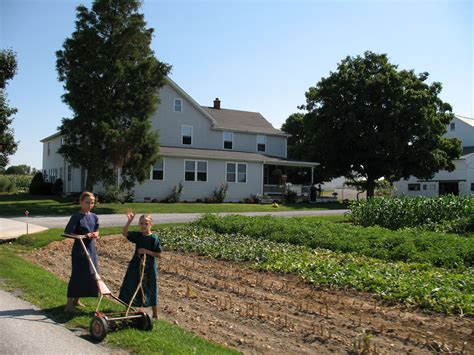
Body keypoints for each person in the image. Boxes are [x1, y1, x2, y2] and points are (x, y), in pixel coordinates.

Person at [119, 211, 162, 319]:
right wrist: (129, 221)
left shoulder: (154, 238)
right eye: (141, 223)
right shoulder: (138, 235)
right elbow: (124, 233)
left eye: (146, 223)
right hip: (136, 265)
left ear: (151, 224)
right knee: (131, 284)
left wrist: (146, 251)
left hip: (149, 268)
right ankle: (128, 309)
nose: (143, 226)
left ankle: (155, 314)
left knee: (150, 287)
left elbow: (158, 255)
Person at [64, 191, 100, 313]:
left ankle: (77, 300)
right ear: (81, 202)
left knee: (88, 274)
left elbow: (97, 230)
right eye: (87, 202)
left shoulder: (94, 216)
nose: (90, 205)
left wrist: (95, 234)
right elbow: (68, 232)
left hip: (91, 249)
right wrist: (83, 236)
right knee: (77, 275)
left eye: (92, 202)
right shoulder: (76, 217)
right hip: (80, 250)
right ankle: (68, 305)